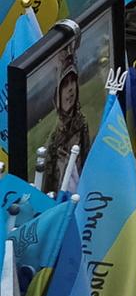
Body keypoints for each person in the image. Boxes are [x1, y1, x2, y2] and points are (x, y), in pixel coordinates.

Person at [44, 50, 90, 191]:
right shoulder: (53, 140)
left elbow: (87, 162)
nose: (70, 89)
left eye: (72, 81)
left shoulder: (81, 123)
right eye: (65, 84)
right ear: (57, 92)